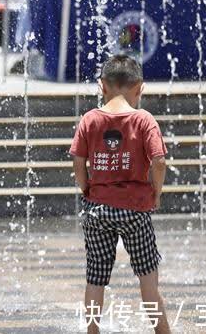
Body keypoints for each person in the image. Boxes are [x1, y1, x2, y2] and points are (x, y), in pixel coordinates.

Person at [70, 55, 170, 334]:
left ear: (102, 86)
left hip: (97, 209)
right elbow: (159, 161)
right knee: (148, 277)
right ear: (140, 88)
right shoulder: (144, 120)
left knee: (95, 278)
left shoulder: (90, 119)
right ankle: (162, 330)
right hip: (136, 210)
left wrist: (86, 186)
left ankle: (92, 331)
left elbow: (78, 161)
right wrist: (156, 193)